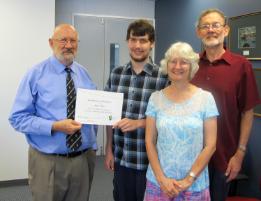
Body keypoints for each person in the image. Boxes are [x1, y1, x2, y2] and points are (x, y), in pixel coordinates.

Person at [9, 24, 97, 201]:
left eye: (73, 40)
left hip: (82, 159)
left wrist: (93, 147)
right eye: (63, 40)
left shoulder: (84, 74)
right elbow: (17, 118)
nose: (68, 45)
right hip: (47, 161)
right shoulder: (35, 74)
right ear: (51, 43)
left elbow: (92, 113)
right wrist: (55, 126)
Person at [192, 8, 261, 201]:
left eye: (216, 25)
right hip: (190, 155)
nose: (211, 30)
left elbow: (248, 112)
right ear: (198, 32)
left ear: (226, 30)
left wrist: (239, 153)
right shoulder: (191, 65)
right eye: (205, 26)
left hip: (223, 156)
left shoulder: (241, 66)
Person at [104, 19, 169, 201]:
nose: (137, 45)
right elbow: (109, 116)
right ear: (127, 41)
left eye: (143, 41)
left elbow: (169, 117)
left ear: (152, 43)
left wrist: (140, 123)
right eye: (133, 40)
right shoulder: (116, 74)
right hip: (121, 157)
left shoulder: (163, 77)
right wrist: (108, 149)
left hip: (150, 161)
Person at [144, 42, 218, 201]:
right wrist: (161, 179)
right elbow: (150, 141)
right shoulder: (155, 98)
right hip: (159, 184)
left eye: (184, 62)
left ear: (192, 66)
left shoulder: (206, 99)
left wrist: (188, 179)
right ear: (166, 65)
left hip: (194, 184)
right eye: (173, 61)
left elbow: (211, 145)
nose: (178, 66)